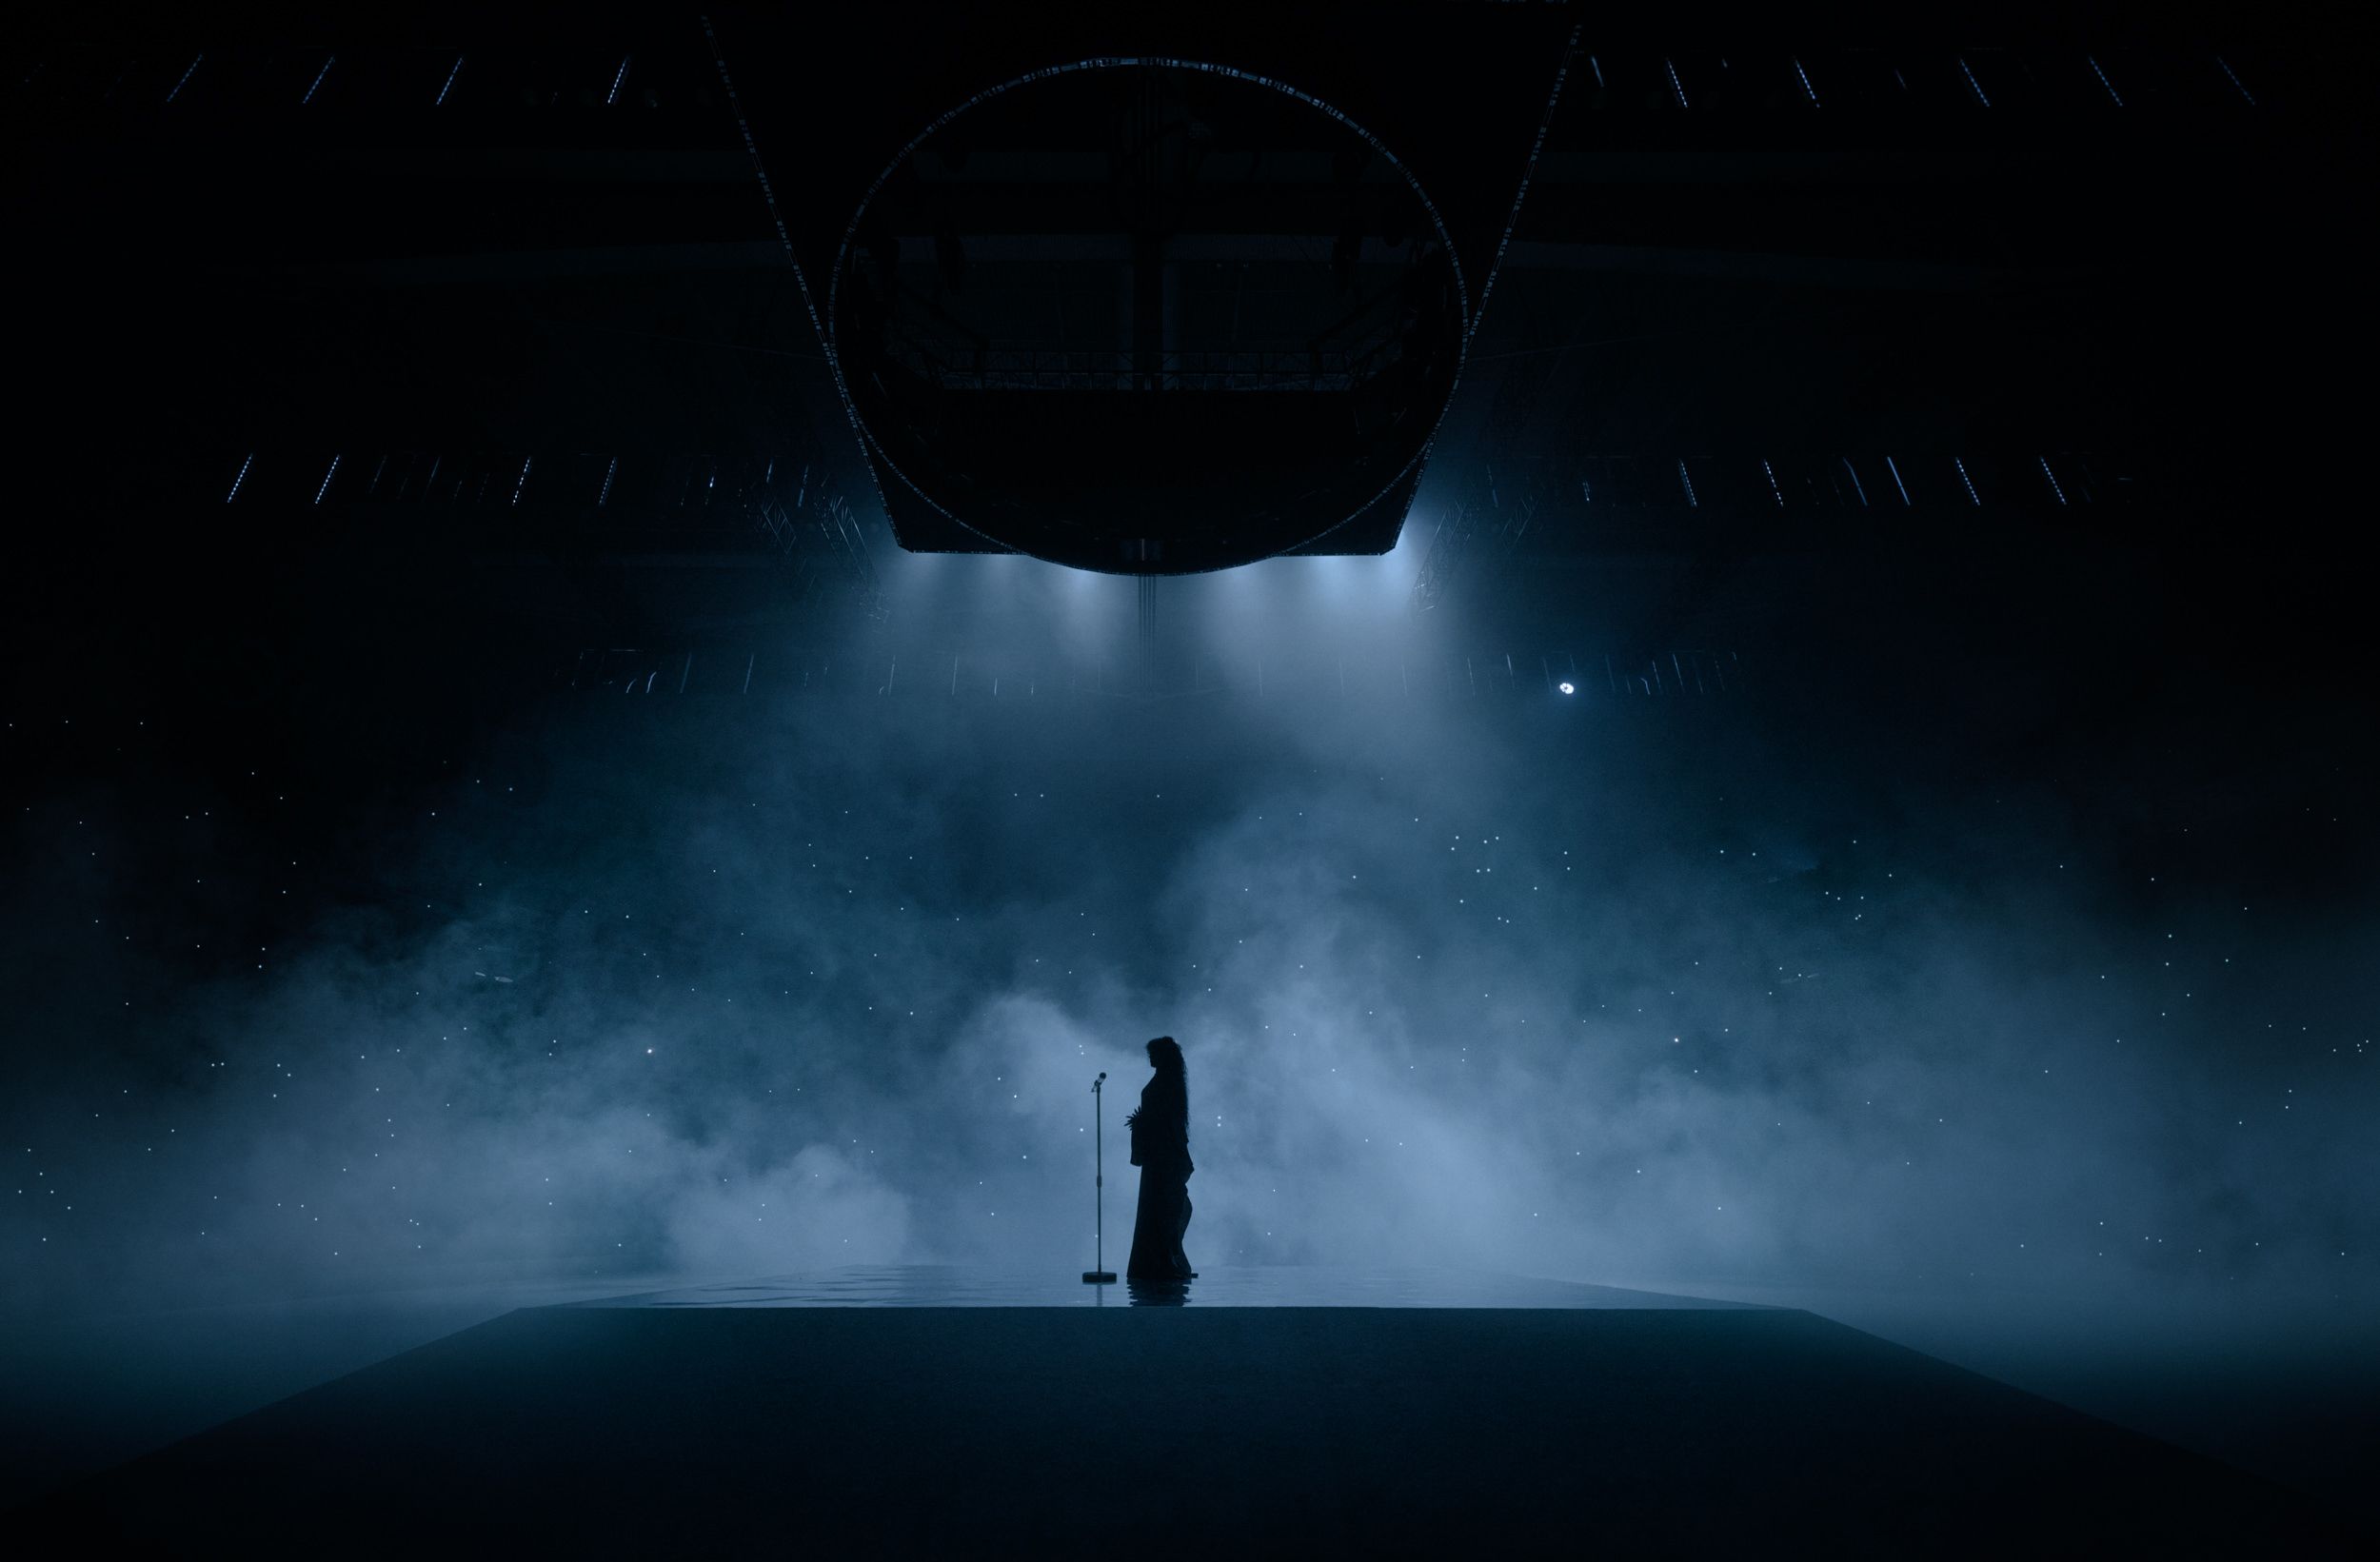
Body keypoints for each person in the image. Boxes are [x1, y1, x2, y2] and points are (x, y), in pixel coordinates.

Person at [1123, 1036, 1195, 1281]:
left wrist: (1142, 1125)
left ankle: (1164, 1260)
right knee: (1161, 1207)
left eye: (1153, 1054)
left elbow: (1167, 1122)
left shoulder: (1166, 1084)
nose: (1150, 1058)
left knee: (1163, 1207)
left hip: (1162, 1156)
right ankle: (1163, 1261)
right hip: (1159, 1155)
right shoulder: (1168, 1082)